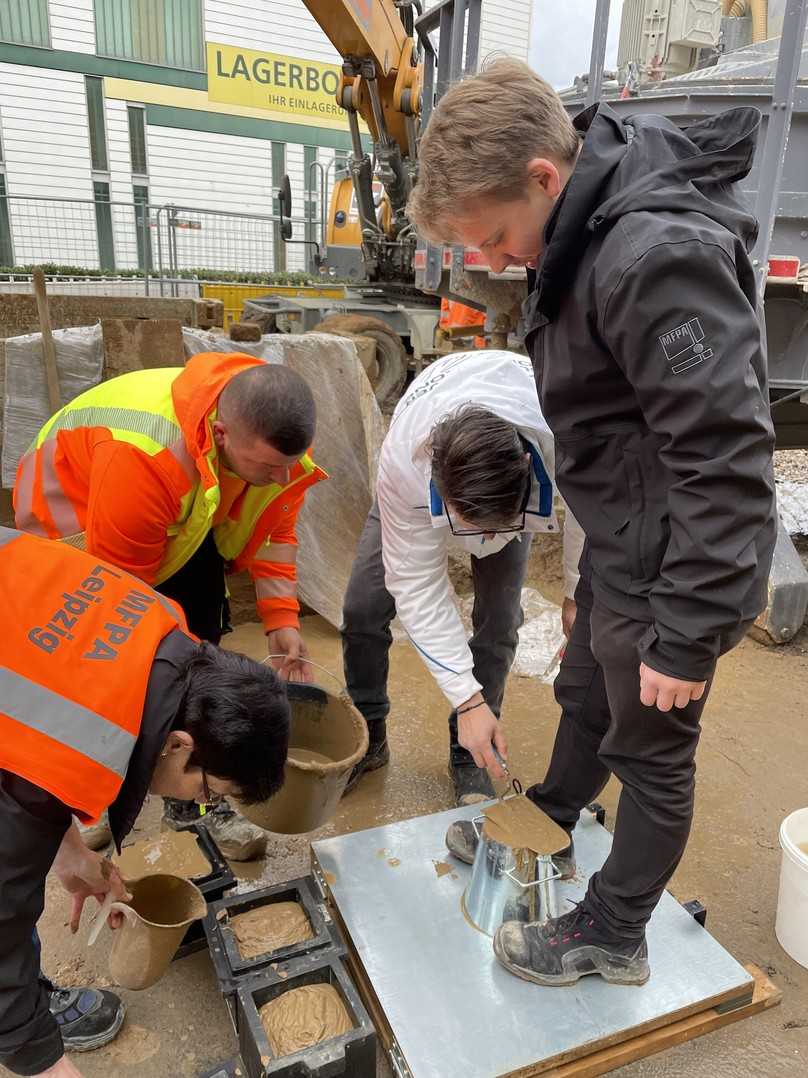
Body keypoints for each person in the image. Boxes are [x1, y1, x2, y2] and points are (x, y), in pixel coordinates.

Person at [408, 58, 776, 985]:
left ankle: (613, 930)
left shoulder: (653, 258)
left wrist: (687, 633)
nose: (491, 262)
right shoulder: (581, 228)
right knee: (583, 692)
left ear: (543, 175)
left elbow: (725, 459)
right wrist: (592, 579)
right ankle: (554, 818)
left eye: (493, 237)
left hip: (676, 565)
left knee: (652, 754)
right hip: (626, 544)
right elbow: (615, 429)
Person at [0, 526, 290, 1078]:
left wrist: (69, 855)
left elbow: (30, 723)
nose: (201, 804)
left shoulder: (157, 621)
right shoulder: (81, 742)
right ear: (180, 745)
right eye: (208, 794)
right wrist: (42, 1061)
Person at [14, 351, 323, 841]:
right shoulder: (145, 455)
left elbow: (274, 535)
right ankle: (108, 789)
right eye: (271, 467)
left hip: (180, 506)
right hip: (83, 522)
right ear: (223, 434)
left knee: (201, 628)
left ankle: (192, 797)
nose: (285, 478)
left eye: (290, 466)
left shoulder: (273, 450)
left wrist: (282, 620)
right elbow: (121, 607)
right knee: (114, 665)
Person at [342, 349, 584, 804]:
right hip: (422, 453)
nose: (485, 537)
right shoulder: (405, 466)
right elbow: (416, 586)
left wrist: (577, 594)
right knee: (363, 607)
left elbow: (592, 515)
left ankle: (468, 753)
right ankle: (369, 732)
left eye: (495, 525)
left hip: (515, 454)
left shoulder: (564, 433)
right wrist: (465, 698)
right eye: (471, 524)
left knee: (499, 620)